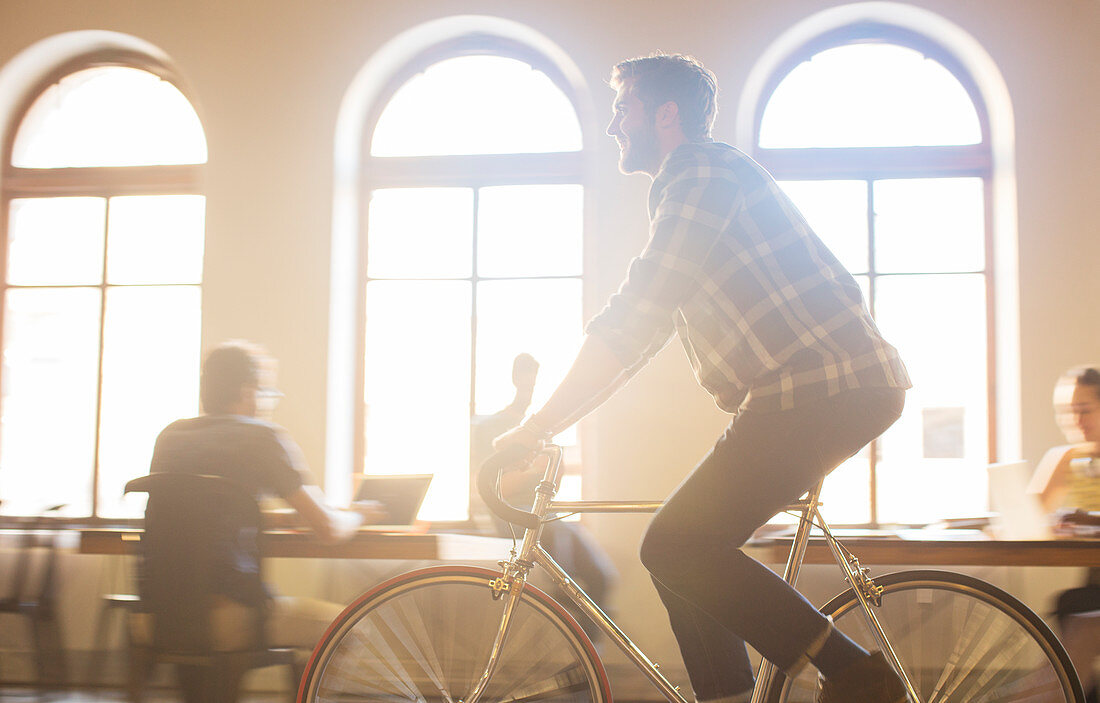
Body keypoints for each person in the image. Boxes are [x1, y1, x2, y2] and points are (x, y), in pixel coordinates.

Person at [493, 54, 910, 703]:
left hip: (824, 385)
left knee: (674, 544)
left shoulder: (700, 172)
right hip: (812, 390)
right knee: (680, 553)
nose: (611, 126)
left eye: (621, 109)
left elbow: (637, 313)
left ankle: (857, 673)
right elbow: (645, 330)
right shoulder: (696, 182)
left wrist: (537, 426)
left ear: (666, 115)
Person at [145, 340, 383, 654]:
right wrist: (359, 515)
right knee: (350, 626)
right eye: (267, 392)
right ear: (248, 391)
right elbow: (328, 529)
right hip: (228, 616)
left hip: (159, 616)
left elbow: (195, 514)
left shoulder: (170, 436)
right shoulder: (262, 436)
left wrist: (272, 517)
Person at [471, 353, 618, 641]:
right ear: (515, 380)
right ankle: (572, 649)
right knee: (561, 584)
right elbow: (493, 489)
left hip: (544, 515)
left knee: (602, 577)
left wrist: (552, 471)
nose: (531, 390)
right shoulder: (491, 427)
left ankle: (586, 660)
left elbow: (551, 489)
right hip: (512, 513)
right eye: (526, 383)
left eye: (535, 384)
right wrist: (532, 471)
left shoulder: (542, 430)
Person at [1029, 366, 1100, 702]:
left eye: (1083, 410)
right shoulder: (1070, 459)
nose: (1074, 421)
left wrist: (1086, 520)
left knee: (1085, 616)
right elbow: (1028, 517)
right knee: (1074, 606)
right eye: (1066, 413)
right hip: (1093, 588)